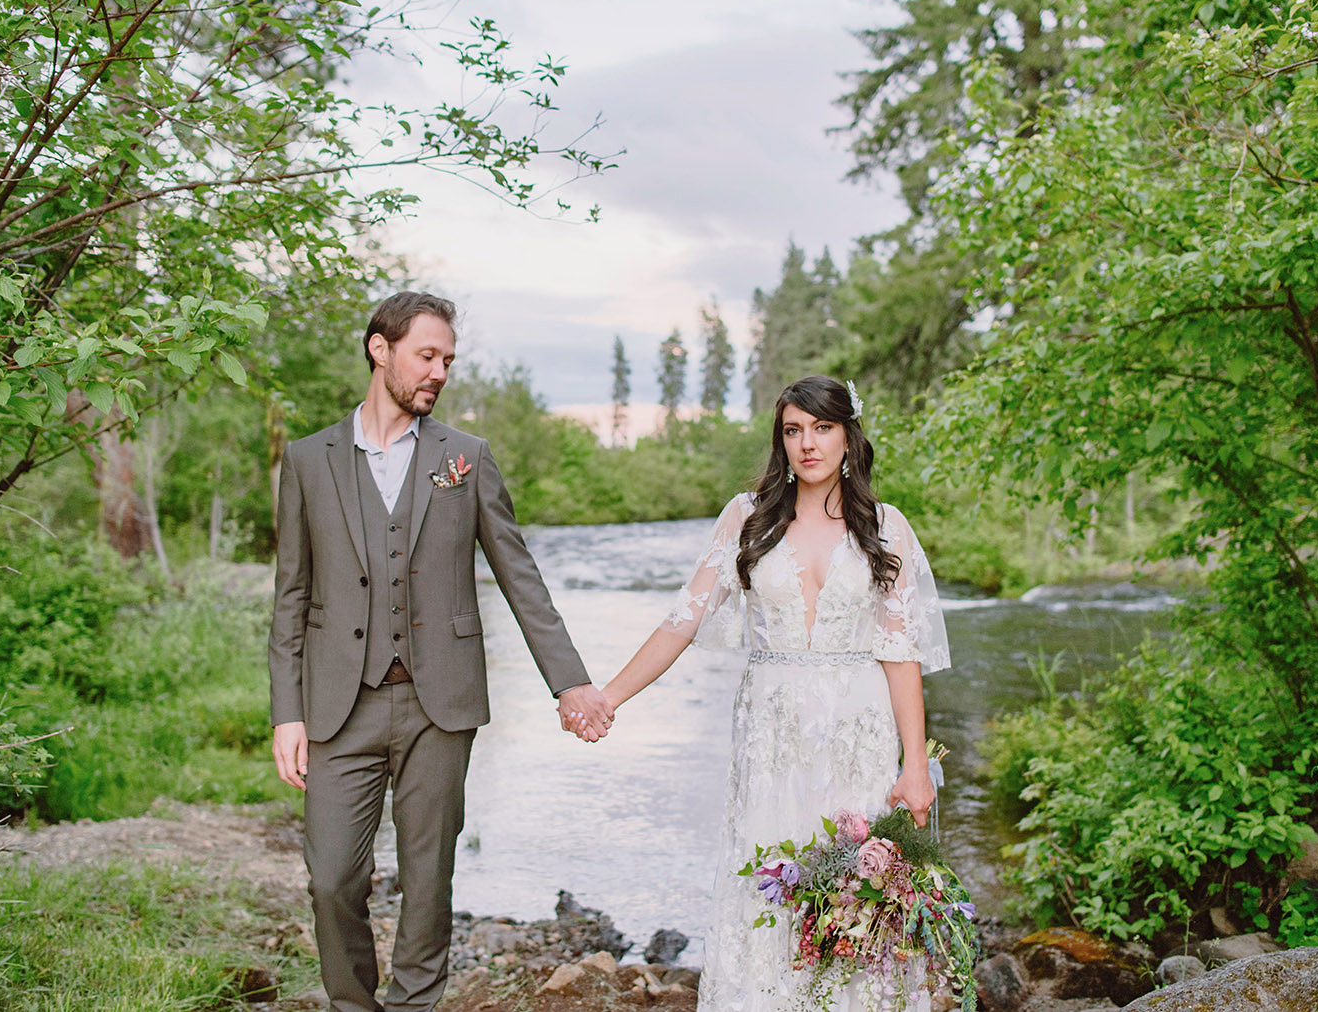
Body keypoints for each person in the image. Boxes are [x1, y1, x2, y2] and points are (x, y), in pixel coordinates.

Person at [267, 290, 615, 1012]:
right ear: (380, 349)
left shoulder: (467, 458)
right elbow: (291, 597)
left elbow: (521, 577)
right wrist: (286, 712)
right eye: (427, 355)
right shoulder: (308, 460)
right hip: (338, 704)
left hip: (439, 705)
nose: (439, 372)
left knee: (428, 879)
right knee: (331, 878)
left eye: (448, 360)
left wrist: (570, 683)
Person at [571, 374, 951, 1011]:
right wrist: (609, 695)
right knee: (768, 874)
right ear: (782, 441)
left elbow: (900, 652)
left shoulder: (888, 528)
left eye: (823, 428)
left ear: (850, 438)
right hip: (773, 734)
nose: (808, 444)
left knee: (858, 887)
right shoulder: (747, 518)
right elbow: (683, 620)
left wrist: (916, 765)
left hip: (858, 729)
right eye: (794, 430)